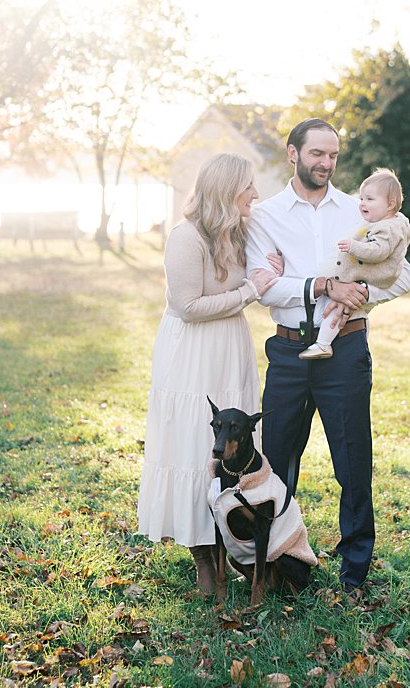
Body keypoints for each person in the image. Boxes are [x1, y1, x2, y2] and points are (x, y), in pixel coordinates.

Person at [245, 119, 410, 596]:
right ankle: (278, 563)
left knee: (353, 462)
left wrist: (363, 292)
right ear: (293, 153)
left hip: (346, 350)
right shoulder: (266, 215)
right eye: (317, 153)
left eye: (333, 154)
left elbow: (402, 275)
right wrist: (319, 285)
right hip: (289, 349)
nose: (326, 162)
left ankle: (354, 570)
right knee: (276, 462)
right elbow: (264, 287)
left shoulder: (359, 209)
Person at [137, 153, 278, 594]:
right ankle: (203, 560)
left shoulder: (239, 232)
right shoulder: (186, 238)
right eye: (247, 187)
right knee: (192, 449)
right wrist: (251, 291)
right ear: (225, 191)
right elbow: (188, 306)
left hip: (229, 349)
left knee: (230, 448)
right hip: (192, 354)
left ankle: (234, 545)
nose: (255, 194)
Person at [301, 167, 410, 360]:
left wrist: (353, 247)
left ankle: (323, 343)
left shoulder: (389, 227)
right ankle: (323, 343)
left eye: (369, 199)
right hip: (348, 281)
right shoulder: (375, 220)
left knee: (339, 304)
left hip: (369, 278)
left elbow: (379, 251)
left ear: (390, 204)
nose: (362, 204)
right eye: (361, 198)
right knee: (338, 304)